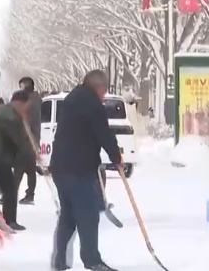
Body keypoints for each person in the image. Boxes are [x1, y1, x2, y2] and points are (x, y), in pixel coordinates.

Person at [49, 70, 122, 271]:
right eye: (104, 90)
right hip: (79, 169)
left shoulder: (72, 99)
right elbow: (103, 133)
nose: (104, 95)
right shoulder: (92, 105)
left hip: (60, 167)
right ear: (99, 87)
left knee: (68, 216)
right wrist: (116, 157)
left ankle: (60, 260)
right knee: (88, 215)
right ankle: (92, 260)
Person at [0, 90, 37, 232]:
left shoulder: (1, 112)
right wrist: (31, 155)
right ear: (19, 103)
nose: (26, 109)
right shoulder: (11, 117)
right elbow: (17, 140)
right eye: (26, 106)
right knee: (6, 189)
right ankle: (6, 219)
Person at [17, 77, 42, 205]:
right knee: (28, 168)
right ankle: (28, 193)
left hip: (30, 138)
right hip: (29, 138)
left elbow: (30, 120)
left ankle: (25, 193)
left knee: (22, 168)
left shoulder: (32, 101)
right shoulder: (33, 99)